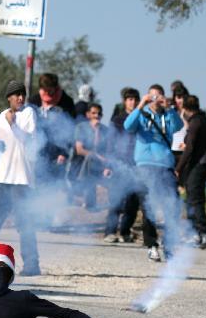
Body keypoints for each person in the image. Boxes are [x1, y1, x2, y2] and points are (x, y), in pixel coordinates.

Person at [0, 81, 41, 276]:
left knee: (25, 223)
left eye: (22, 94)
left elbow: (26, 139)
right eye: (16, 95)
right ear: (9, 98)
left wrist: (13, 123)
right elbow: (0, 143)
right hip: (2, 176)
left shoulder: (28, 113)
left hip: (21, 178)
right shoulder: (2, 116)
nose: (20, 98)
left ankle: (32, 264)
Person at [123, 84, 184, 262]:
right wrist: (141, 105)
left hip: (165, 166)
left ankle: (170, 245)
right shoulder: (141, 115)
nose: (156, 99)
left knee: (171, 206)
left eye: (159, 96)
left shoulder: (167, 115)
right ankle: (151, 245)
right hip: (144, 166)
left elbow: (178, 126)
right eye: (153, 96)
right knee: (148, 207)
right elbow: (128, 126)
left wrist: (170, 107)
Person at [29, 73, 76, 223]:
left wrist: (64, 152)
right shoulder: (33, 101)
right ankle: (35, 217)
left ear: (57, 90)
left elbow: (71, 131)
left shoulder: (66, 103)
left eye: (51, 92)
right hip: (37, 150)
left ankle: (47, 217)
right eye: (44, 91)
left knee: (52, 185)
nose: (47, 95)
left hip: (57, 153)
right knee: (36, 184)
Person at [175, 95, 206, 247]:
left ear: (185, 108)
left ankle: (203, 233)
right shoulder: (203, 120)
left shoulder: (196, 123)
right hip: (203, 165)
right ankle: (196, 232)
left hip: (197, 165)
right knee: (194, 198)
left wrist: (178, 168)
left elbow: (190, 147)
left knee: (194, 200)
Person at [108, 87, 142, 242]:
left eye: (135, 99)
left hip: (137, 164)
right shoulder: (117, 120)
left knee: (133, 201)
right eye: (130, 99)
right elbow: (110, 143)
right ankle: (110, 232)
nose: (133, 102)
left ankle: (125, 231)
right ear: (124, 101)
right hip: (120, 164)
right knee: (116, 199)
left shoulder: (142, 118)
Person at [72, 103, 111, 214]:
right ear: (88, 114)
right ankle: (86, 196)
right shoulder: (81, 127)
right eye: (93, 113)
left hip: (101, 163)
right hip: (82, 161)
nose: (96, 116)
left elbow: (108, 150)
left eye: (99, 114)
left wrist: (98, 130)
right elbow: (79, 150)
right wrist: (96, 156)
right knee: (89, 159)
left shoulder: (105, 130)